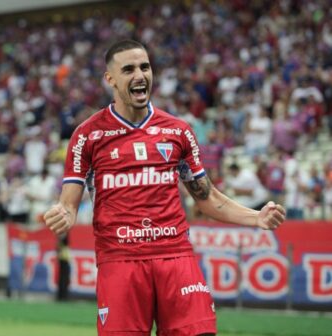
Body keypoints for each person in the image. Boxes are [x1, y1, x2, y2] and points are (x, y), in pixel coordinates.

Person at [44, 40, 286, 336]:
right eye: (129, 69)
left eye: (145, 67)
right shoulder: (88, 136)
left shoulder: (178, 131)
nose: (140, 75)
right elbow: (69, 203)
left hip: (176, 256)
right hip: (121, 260)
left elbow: (206, 196)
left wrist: (256, 217)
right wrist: (65, 214)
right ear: (110, 79)